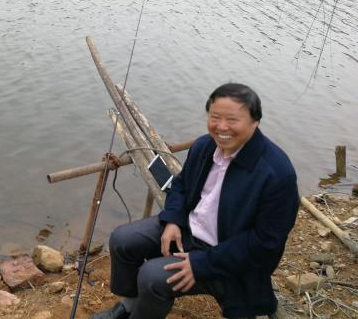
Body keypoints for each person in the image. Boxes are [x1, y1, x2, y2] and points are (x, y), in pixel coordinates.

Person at [91, 83, 299, 319]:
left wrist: (201, 264)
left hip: (228, 256)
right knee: (122, 240)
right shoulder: (205, 146)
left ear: (255, 121)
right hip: (188, 230)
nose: (222, 127)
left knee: (152, 277)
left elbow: (265, 244)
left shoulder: (277, 174)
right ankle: (128, 306)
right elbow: (181, 185)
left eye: (232, 120)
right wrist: (173, 220)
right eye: (215, 117)